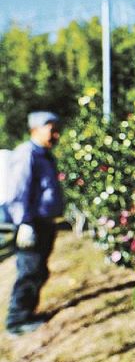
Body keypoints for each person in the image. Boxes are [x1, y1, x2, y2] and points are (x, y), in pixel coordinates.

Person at [5, 111, 64, 335]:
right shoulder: (26, 154)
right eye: (51, 129)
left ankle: (28, 312)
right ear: (35, 130)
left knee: (38, 271)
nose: (56, 134)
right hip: (33, 223)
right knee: (29, 271)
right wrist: (24, 223)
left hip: (45, 222)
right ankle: (16, 322)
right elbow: (18, 192)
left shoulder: (45, 155)